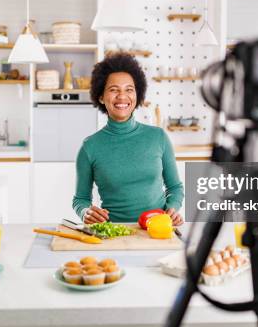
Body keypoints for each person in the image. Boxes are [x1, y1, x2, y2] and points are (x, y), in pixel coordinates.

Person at [72, 54, 184, 226]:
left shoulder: (158, 137)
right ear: (101, 97)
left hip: (156, 231)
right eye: (114, 89)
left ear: (137, 95)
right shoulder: (90, 147)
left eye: (129, 89)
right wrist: (85, 212)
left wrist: (172, 209)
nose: (122, 96)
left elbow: (175, 188)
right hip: (114, 232)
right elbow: (80, 199)